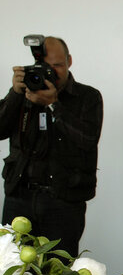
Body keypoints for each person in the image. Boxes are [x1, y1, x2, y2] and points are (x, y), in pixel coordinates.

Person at [0, 36, 103, 256]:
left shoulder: (87, 97)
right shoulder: (25, 91)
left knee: (59, 270)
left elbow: (87, 139)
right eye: (47, 67)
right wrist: (15, 94)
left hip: (63, 202)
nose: (52, 72)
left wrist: (53, 105)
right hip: (20, 197)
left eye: (58, 65)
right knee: (12, 268)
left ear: (70, 61)